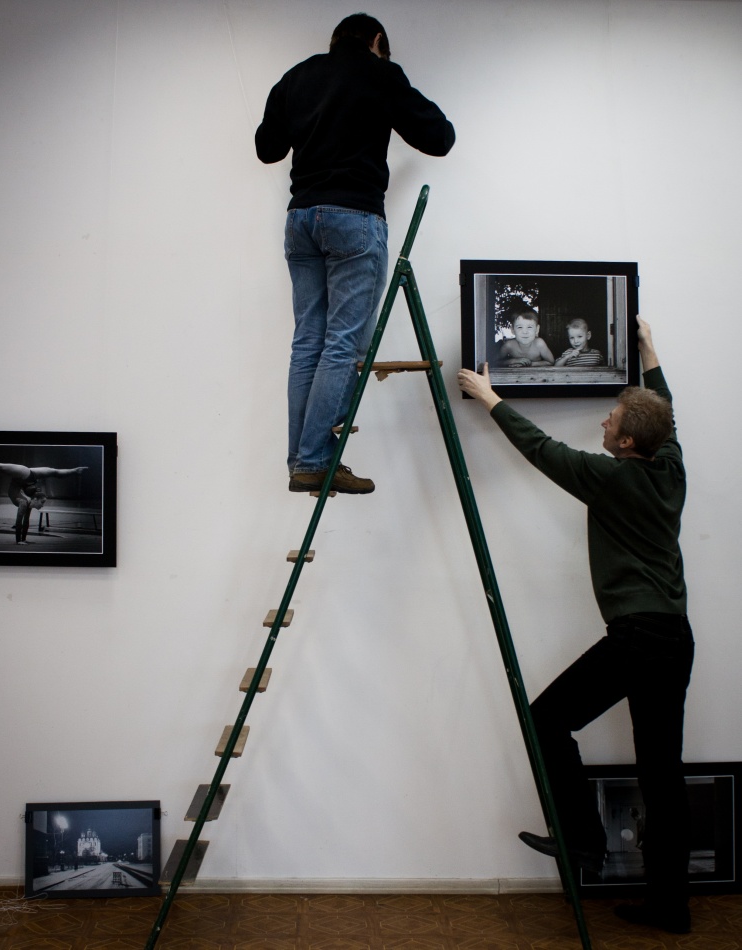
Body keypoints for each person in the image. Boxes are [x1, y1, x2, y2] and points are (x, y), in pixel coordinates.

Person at [458, 315, 694, 935]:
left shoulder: (610, 478)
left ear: (626, 443)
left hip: (638, 638)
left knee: (545, 720)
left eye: (610, 422)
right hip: (674, 637)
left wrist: (490, 398)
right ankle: (671, 907)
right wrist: (650, 352)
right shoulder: (670, 469)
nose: (603, 424)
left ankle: (584, 840)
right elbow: (666, 415)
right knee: (661, 774)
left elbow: (542, 449)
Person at [255, 13, 455, 494]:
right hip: (354, 217)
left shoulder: (297, 76)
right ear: (377, 40)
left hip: (300, 220)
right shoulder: (380, 73)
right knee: (343, 343)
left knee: (309, 341)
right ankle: (315, 459)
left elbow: (267, 148)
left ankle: (302, 461)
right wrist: (385, 86)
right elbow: (440, 137)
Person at [0, 462, 88, 544]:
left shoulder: (28, 502)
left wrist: (23, 540)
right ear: (35, 499)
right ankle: (75, 471)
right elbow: (18, 522)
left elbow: (26, 521)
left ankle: (75, 470)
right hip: (24, 473)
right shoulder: (23, 502)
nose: (42, 505)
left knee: (54, 472)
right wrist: (18, 541)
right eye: (42, 502)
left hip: (27, 476)